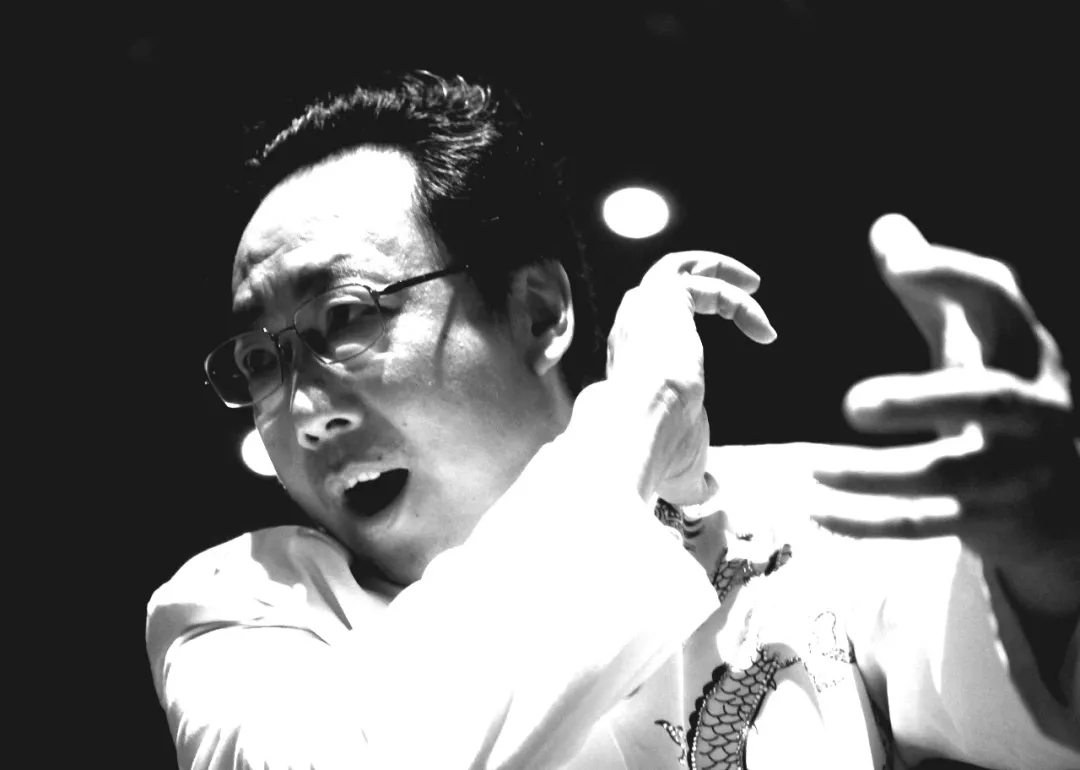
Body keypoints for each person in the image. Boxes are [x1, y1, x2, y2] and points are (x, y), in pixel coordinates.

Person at [145, 71, 1079, 769]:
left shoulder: (801, 508)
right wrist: (633, 416)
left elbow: (1031, 704)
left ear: (538, 314)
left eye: (346, 315)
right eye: (261, 359)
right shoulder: (236, 608)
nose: (302, 411)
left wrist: (1048, 558)